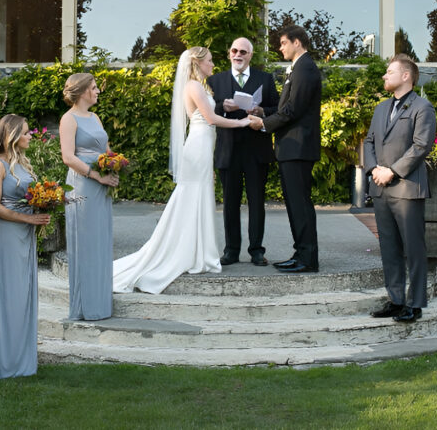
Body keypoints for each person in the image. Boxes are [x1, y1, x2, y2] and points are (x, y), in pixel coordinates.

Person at [113, 47, 250, 293]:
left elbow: (209, 114)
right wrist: (241, 122)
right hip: (198, 146)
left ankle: (198, 251)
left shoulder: (200, 87)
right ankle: (190, 252)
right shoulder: (194, 86)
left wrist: (224, 108)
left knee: (198, 196)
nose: (212, 65)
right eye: (209, 61)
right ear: (197, 63)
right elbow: (210, 119)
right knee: (192, 196)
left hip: (202, 145)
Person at [363, 54, 436, 322]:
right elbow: (368, 141)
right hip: (381, 188)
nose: (384, 75)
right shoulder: (381, 108)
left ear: (406, 75)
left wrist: (392, 171)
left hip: (406, 188)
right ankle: (395, 299)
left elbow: (421, 146)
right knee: (389, 248)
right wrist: (374, 171)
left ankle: (415, 304)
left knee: (413, 248)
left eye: (389, 71)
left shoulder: (422, 107)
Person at [0, 114, 50, 379]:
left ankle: (23, 361)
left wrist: (45, 203)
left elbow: (30, 196)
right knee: (11, 295)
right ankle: (8, 364)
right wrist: (28, 218)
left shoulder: (21, 163)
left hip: (25, 235)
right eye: (25, 132)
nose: (30, 136)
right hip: (9, 235)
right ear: (11, 136)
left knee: (24, 295)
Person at [248, 25, 322, 274]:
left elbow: (293, 110)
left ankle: (308, 259)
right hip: (291, 148)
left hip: (298, 148)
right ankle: (301, 252)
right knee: (294, 203)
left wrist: (263, 124)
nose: (280, 48)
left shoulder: (306, 68)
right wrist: (263, 111)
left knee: (300, 203)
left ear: (297, 42)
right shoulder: (299, 68)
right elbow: (286, 106)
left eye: (283, 43)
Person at [208, 37, 278, 267]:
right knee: (230, 203)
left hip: (257, 150)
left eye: (243, 52)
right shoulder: (215, 81)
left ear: (250, 55)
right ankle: (231, 250)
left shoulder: (265, 79)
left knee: (257, 202)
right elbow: (207, 110)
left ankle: (257, 250)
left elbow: (277, 108)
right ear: (229, 53)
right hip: (228, 150)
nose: (238, 55)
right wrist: (222, 108)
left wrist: (261, 110)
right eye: (234, 50)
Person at [60, 73, 119, 321]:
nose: (97, 91)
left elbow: (104, 149)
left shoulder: (94, 117)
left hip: (101, 186)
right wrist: (98, 176)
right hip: (82, 186)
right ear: (83, 91)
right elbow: (68, 157)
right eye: (94, 88)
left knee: (100, 243)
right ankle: (85, 307)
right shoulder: (68, 119)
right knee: (84, 244)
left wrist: (115, 164)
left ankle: (101, 305)